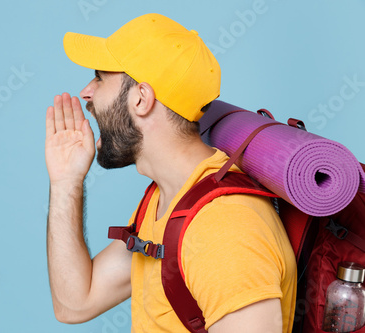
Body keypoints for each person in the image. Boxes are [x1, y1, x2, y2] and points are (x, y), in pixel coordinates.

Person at [45, 13, 297, 333]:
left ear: (141, 98)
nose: (86, 92)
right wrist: (66, 181)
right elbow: (75, 303)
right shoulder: (169, 197)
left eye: (99, 77)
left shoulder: (224, 226)